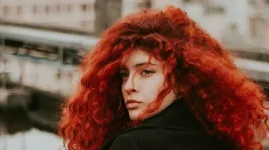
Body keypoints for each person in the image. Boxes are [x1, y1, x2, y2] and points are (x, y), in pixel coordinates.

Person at [58, 6, 269, 150]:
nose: (129, 86)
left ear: (182, 77)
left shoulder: (133, 145)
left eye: (146, 72)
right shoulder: (223, 138)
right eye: (124, 75)